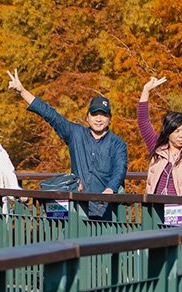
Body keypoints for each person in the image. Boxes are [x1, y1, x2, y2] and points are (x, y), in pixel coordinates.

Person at [7, 68, 127, 219]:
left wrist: (110, 189)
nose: (99, 119)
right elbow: (51, 115)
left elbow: (120, 169)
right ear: (87, 117)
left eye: (103, 115)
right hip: (78, 209)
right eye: (94, 114)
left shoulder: (118, 144)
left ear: (109, 119)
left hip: (106, 210)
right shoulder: (75, 133)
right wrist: (22, 91)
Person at [137, 77, 182, 200]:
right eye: (177, 131)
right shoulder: (158, 149)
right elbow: (143, 122)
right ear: (168, 132)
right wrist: (146, 91)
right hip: (157, 211)